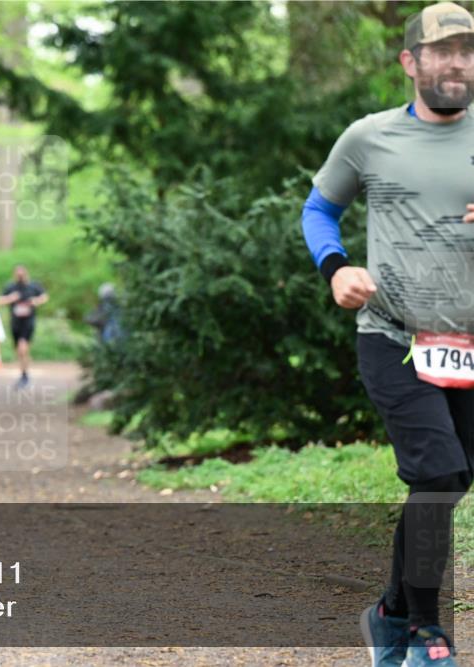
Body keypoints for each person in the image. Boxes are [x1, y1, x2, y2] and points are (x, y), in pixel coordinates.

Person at [301, 4, 474, 664]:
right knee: (439, 470)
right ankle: (430, 633)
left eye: (467, 50)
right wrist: (336, 267)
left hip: (469, 343)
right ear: (411, 62)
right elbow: (319, 209)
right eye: (442, 50)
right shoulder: (368, 138)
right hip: (394, 335)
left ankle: (391, 612)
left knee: (450, 480)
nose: (456, 61)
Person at [0, 265, 48, 389]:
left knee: (22, 348)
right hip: (15, 323)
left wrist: (36, 301)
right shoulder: (11, 287)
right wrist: (10, 298)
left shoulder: (33, 286)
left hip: (28, 322)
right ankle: (24, 374)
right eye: (17, 275)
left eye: (22, 274)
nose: (20, 277)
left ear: (26, 274)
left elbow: (45, 296)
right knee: (20, 352)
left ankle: (25, 376)